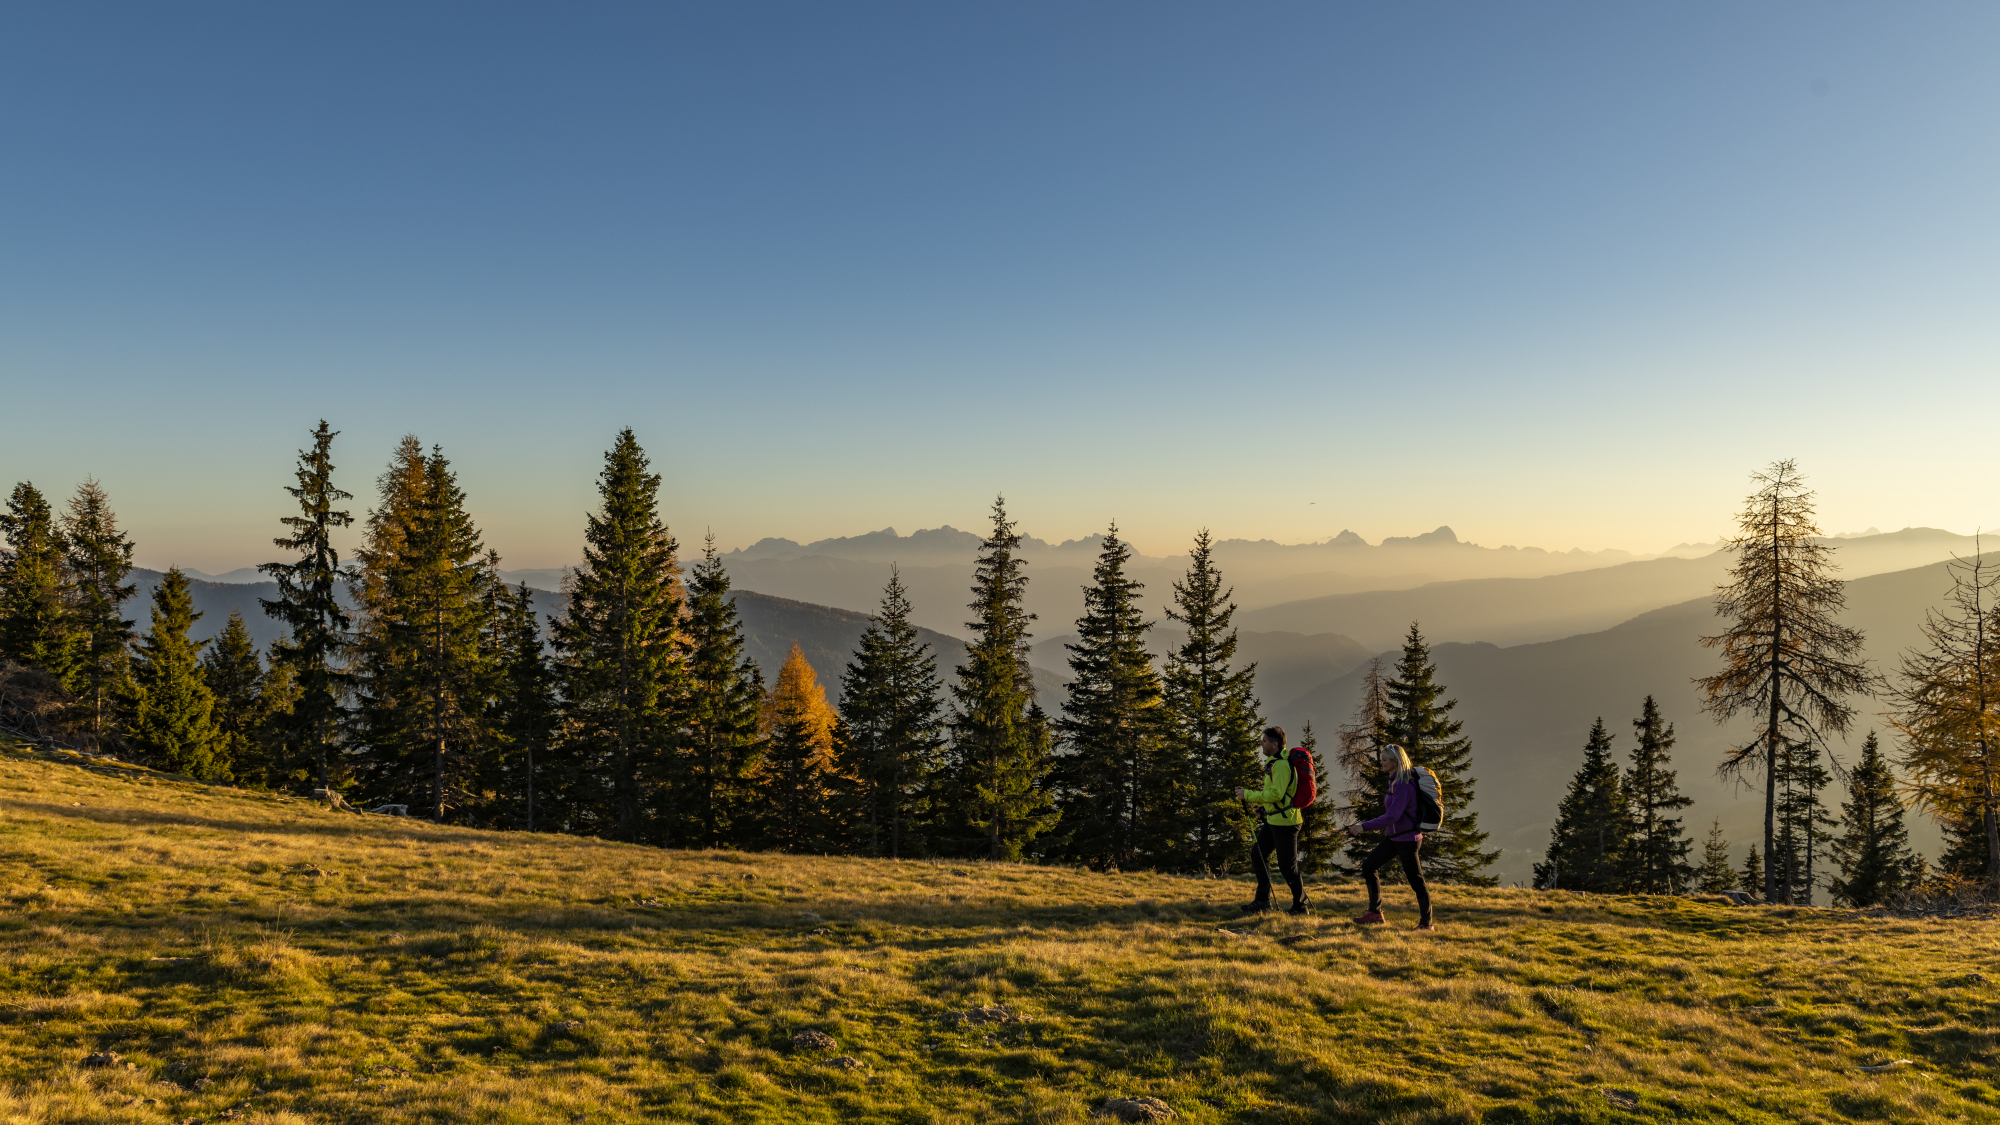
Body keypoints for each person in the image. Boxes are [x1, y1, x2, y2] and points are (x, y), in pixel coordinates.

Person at [1344, 743, 1434, 930]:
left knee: (1416, 881)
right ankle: (1375, 913)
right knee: (1369, 866)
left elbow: (1393, 815)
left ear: (1395, 762)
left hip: (1408, 840)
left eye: (1384, 760)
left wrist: (1363, 827)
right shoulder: (1395, 781)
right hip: (1396, 837)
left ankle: (1426, 924)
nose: (1381, 762)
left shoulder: (1403, 784)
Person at [1234, 726, 1307, 915]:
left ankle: (1300, 907)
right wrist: (1264, 808)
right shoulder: (1275, 762)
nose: (1261, 744)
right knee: (1258, 854)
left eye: (1264, 741)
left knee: (1287, 865)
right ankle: (1262, 901)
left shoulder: (1281, 765)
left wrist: (1249, 795)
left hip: (1286, 823)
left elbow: (1276, 793)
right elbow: (1276, 795)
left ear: (1274, 744)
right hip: (1275, 820)